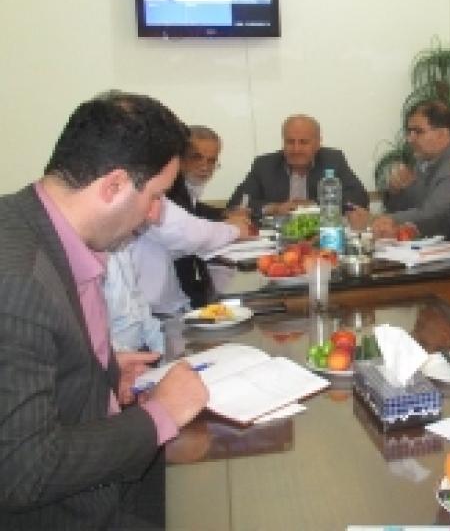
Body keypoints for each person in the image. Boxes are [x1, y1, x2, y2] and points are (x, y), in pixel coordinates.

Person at [0, 91, 209, 529]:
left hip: (101, 474)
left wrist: (103, 372)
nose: (155, 215)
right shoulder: (18, 281)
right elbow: (23, 471)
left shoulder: (37, 227)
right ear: (113, 186)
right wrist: (161, 414)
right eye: (155, 196)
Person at [348, 100, 450, 238]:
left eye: (418, 132)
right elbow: (407, 207)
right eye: (409, 132)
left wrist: (375, 219)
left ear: (443, 134)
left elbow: (433, 214)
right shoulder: (423, 160)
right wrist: (396, 191)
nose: (410, 139)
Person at [167, 125, 251, 308]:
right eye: (196, 157)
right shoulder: (169, 189)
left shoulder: (185, 188)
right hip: (172, 295)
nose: (205, 166)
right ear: (180, 158)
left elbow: (195, 210)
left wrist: (224, 214)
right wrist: (232, 228)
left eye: (211, 160)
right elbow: (189, 230)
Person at [227, 114, 370, 216]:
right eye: (290, 142)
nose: (296, 149)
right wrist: (274, 208)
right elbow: (237, 202)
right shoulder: (264, 165)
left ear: (318, 143)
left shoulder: (333, 160)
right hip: (276, 236)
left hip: (321, 232)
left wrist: (314, 205)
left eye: (303, 142)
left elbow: (359, 197)